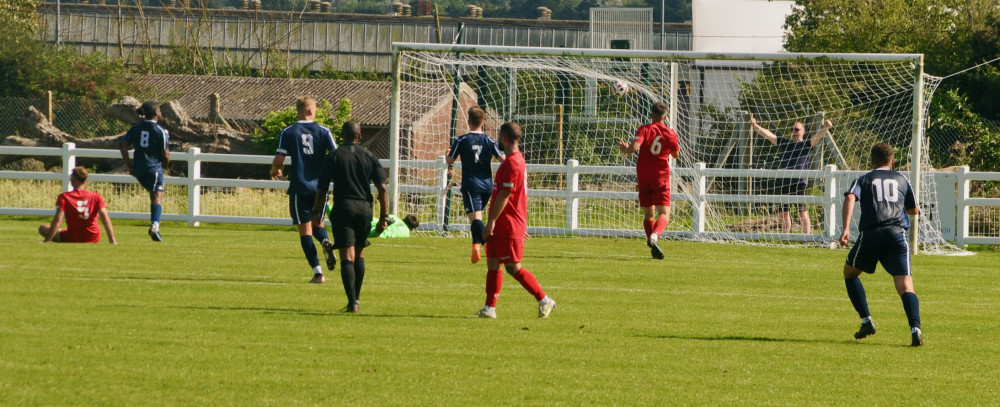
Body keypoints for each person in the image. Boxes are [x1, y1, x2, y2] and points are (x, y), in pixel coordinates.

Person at [839, 143, 922, 346]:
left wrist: (846, 228)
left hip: (872, 234)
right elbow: (914, 210)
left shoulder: (864, 179)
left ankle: (866, 321)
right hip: (897, 235)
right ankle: (915, 329)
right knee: (905, 286)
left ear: (872, 161)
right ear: (893, 161)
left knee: (850, 274)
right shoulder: (902, 179)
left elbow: (850, 196)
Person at [478, 121, 556, 319]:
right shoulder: (512, 161)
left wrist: (492, 222)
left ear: (504, 138)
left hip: (508, 222)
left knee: (513, 267)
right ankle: (490, 308)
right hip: (505, 222)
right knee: (493, 263)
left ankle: (544, 299)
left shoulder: (513, 164)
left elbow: (505, 195)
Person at [312, 121, 389, 313]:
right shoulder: (370, 156)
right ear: (360, 135)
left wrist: (316, 212)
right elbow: (383, 189)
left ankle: (352, 302)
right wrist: (384, 217)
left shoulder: (334, 156)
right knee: (360, 253)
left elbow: (322, 189)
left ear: (342, 135)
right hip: (364, 209)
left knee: (347, 254)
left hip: (343, 207)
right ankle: (357, 299)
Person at [270, 96, 338, 284]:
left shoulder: (288, 132)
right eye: (315, 108)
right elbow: (336, 157)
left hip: (300, 188)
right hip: (320, 189)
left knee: (305, 231)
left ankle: (318, 273)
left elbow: (279, 159)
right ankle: (325, 242)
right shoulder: (324, 131)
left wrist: (274, 170)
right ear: (310, 110)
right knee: (318, 225)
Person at [618, 102, 680, 260]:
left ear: (651, 115)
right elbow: (676, 155)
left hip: (644, 176)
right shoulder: (671, 133)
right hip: (661, 177)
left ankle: (651, 243)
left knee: (648, 213)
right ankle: (655, 236)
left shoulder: (644, 129)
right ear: (665, 117)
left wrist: (625, 149)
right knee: (664, 213)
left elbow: (634, 148)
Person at [750, 117, 833, 234]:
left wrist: (826, 127)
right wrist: (755, 126)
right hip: (785, 182)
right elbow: (769, 136)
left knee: (802, 211)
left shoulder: (806, 144)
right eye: (792, 129)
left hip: (800, 183)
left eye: (797, 129)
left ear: (803, 132)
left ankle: (806, 238)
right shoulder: (786, 143)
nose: (794, 132)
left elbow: (817, 137)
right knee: (783, 212)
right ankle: (785, 237)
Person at [446, 106, 504, 263]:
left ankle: (490, 246)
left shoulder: (462, 140)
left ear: (469, 121)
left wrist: (448, 154)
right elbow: (504, 160)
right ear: (483, 122)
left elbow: (449, 160)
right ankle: (475, 247)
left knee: (476, 220)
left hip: (471, 186)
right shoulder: (490, 141)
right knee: (476, 217)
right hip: (487, 186)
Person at [120, 101, 170, 242]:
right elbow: (165, 154)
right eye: (159, 110)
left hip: (138, 168)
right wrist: (166, 164)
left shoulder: (135, 129)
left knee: (153, 194)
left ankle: (155, 223)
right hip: (153, 168)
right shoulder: (161, 131)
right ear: (155, 112)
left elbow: (123, 145)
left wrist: (129, 165)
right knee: (157, 196)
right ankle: (155, 226)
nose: (161, 113)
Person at [39, 166, 117, 244]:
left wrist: (46, 241)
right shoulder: (96, 196)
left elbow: (58, 221)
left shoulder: (64, 197)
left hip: (73, 237)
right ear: (86, 180)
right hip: (93, 237)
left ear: (72, 181)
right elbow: (105, 219)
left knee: (42, 228)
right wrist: (112, 240)